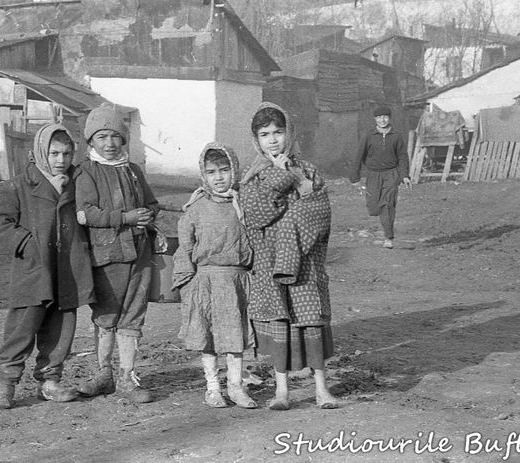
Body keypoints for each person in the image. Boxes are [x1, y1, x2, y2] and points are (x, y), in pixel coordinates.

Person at [238, 102, 339, 411]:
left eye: (278, 132)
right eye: (265, 134)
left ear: (289, 133)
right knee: (281, 321)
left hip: (305, 262)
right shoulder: (252, 177)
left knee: (310, 321)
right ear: (256, 139)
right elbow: (255, 215)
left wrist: (302, 198)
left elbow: (321, 211)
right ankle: (282, 391)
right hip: (271, 265)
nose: (273, 140)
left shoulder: (308, 170)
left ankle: (322, 389)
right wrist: (283, 181)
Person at [0, 123, 94, 409]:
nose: (61, 160)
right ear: (41, 152)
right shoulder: (21, 184)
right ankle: (5, 382)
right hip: (34, 269)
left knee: (61, 327)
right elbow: (1, 223)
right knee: (22, 326)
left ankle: (50, 380)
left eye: (67, 153)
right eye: (55, 153)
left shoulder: (79, 184)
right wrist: (26, 244)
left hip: (68, 268)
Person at [74, 103, 159, 404]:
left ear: (123, 139)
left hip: (139, 256)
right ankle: (103, 373)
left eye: (114, 136)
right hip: (107, 256)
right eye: (101, 137)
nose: (109, 144)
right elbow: (85, 214)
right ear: (90, 141)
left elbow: (151, 203)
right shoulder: (87, 171)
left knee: (133, 314)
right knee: (106, 314)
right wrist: (125, 218)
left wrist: (148, 214)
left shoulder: (133, 171)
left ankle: (127, 376)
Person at [173, 143, 257, 409]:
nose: (219, 177)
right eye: (211, 172)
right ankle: (212, 387)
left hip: (236, 280)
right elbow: (185, 246)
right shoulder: (195, 208)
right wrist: (186, 283)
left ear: (234, 170)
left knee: (235, 336)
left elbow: (255, 241)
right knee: (207, 337)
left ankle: (235, 386)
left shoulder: (244, 204)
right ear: (203, 175)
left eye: (224, 170)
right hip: (206, 281)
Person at [349, 106, 412, 249]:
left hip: (391, 174)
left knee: (387, 204)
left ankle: (388, 237)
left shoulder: (396, 135)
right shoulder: (369, 136)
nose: (382, 120)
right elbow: (359, 156)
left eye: (385, 117)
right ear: (375, 119)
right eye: (379, 117)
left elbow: (402, 156)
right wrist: (354, 177)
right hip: (373, 175)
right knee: (374, 207)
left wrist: (404, 176)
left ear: (389, 118)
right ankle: (381, 216)